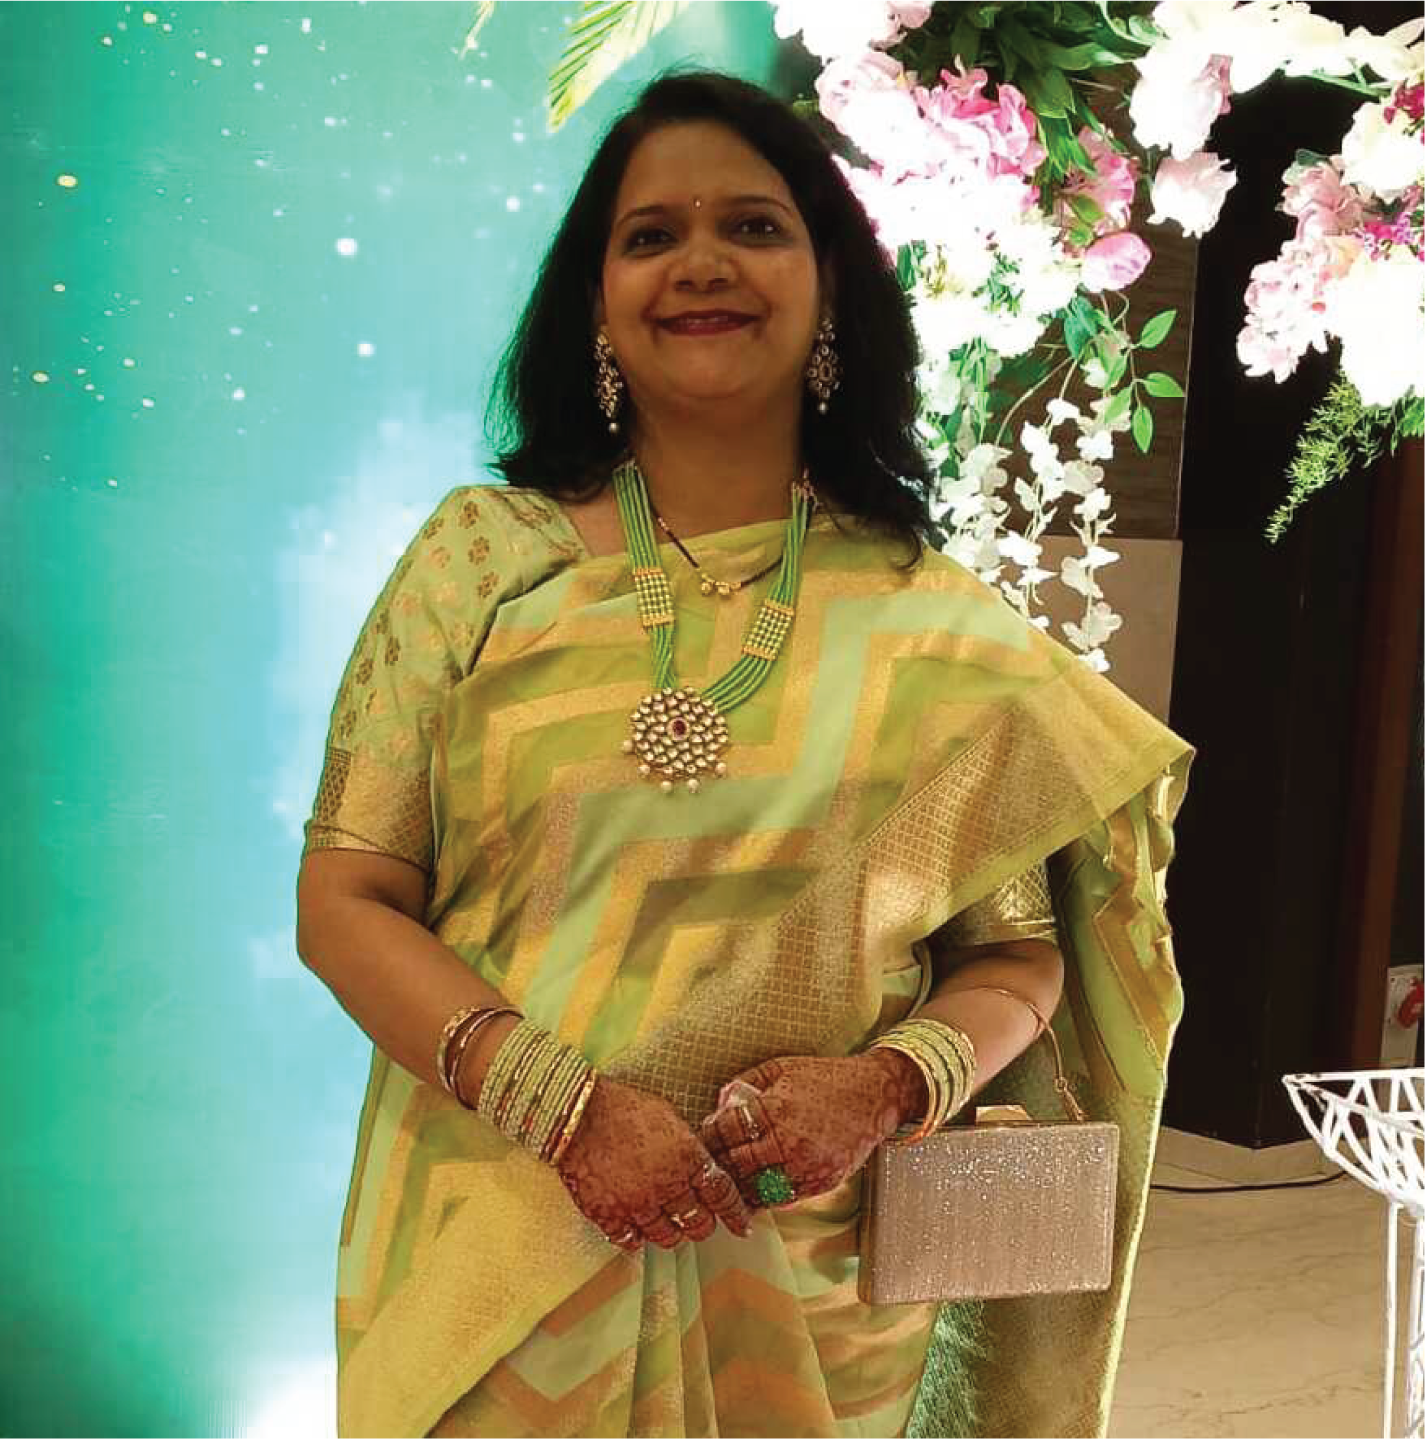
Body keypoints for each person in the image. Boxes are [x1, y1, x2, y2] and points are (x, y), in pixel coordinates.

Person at [295, 70, 1194, 1439]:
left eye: (754, 227)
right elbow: (346, 898)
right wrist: (567, 1111)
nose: (702, 262)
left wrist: (885, 1086)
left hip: (810, 1278)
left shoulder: (933, 621)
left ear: (830, 285)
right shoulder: (479, 561)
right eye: (651, 235)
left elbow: (1016, 959)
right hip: (499, 1244)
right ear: (596, 301)